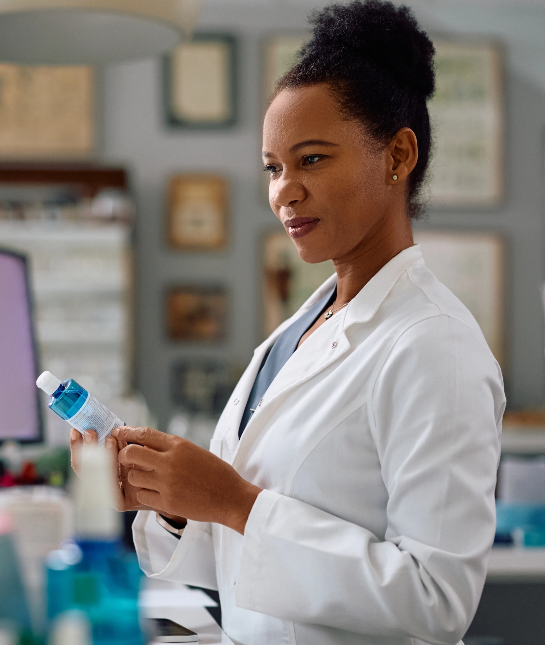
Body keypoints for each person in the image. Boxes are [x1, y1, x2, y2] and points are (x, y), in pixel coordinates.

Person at [70, 2, 504, 643]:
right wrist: (165, 497)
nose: (284, 192)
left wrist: (232, 501)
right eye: (273, 167)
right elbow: (239, 558)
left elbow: (435, 598)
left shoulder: (434, 345)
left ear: (398, 154)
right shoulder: (295, 334)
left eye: (313, 160)